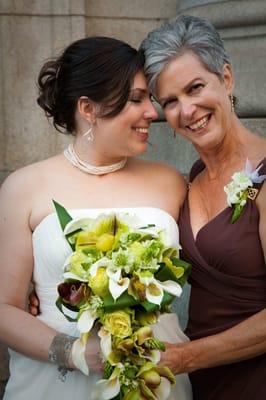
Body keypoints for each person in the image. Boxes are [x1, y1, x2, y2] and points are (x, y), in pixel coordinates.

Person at [0, 36, 192, 400]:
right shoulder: (23, 187)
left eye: (149, 98)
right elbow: (4, 308)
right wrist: (73, 353)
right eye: (136, 99)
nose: (153, 112)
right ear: (88, 108)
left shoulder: (171, 183)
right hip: (56, 383)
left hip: (157, 378)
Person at [140, 14, 266, 399]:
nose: (187, 110)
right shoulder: (190, 179)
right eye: (171, 102)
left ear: (226, 78)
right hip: (206, 384)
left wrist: (185, 358)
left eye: (196, 88)